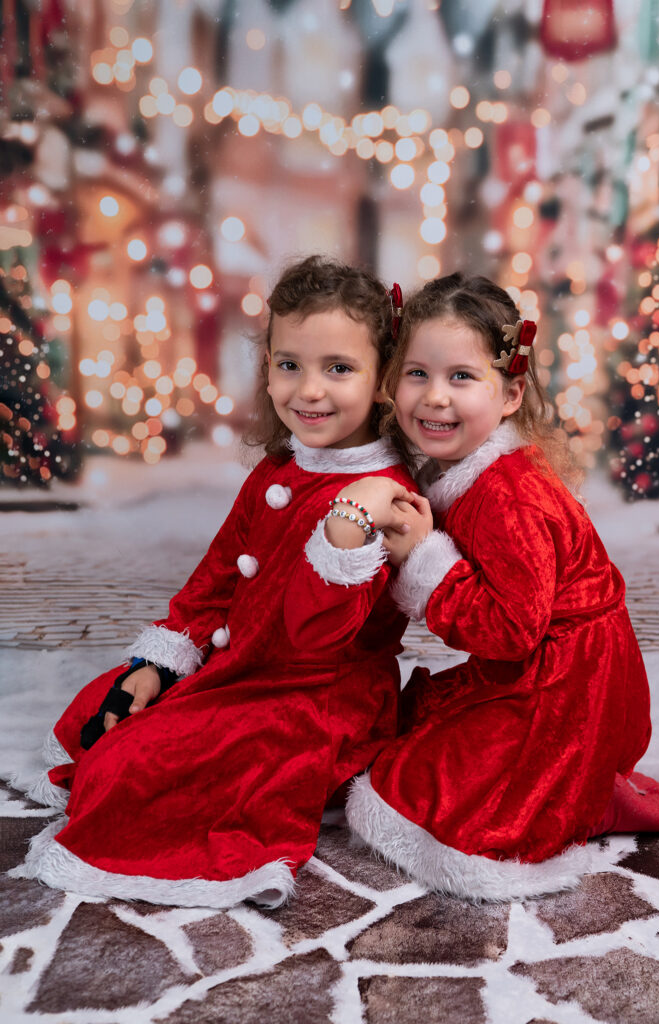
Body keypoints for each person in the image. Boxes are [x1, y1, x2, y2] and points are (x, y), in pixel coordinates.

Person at [15, 255, 416, 909]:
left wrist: (346, 541)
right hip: (238, 666)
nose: (308, 391)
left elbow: (323, 638)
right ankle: (159, 724)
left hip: (313, 696)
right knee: (103, 705)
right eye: (290, 365)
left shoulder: (378, 498)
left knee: (131, 763)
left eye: (337, 368)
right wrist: (163, 659)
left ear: (382, 380)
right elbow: (217, 576)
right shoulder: (277, 471)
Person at [341, 273, 659, 902]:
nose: (435, 398)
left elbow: (512, 631)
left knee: (417, 788)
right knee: (416, 724)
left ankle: (589, 792)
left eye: (462, 377)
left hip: (567, 685)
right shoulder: (467, 470)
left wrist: (426, 561)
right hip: (565, 669)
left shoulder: (508, 496)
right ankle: (593, 785)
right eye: (417, 373)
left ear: (509, 393)